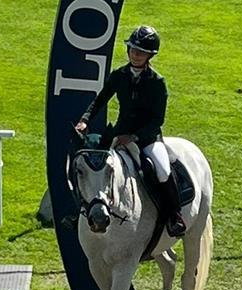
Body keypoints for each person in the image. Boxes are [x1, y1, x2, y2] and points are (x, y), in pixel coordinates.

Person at [74, 25, 186, 236]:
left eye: (141, 52)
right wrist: (85, 119)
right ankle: (80, 211)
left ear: (150, 56)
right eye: (133, 50)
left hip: (147, 138)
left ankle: (174, 215)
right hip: (120, 134)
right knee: (92, 164)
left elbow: (157, 119)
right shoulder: (119, 75)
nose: (135, 55)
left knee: (162, 170)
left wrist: (134, 137)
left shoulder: (157, 83)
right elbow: (100, 100)